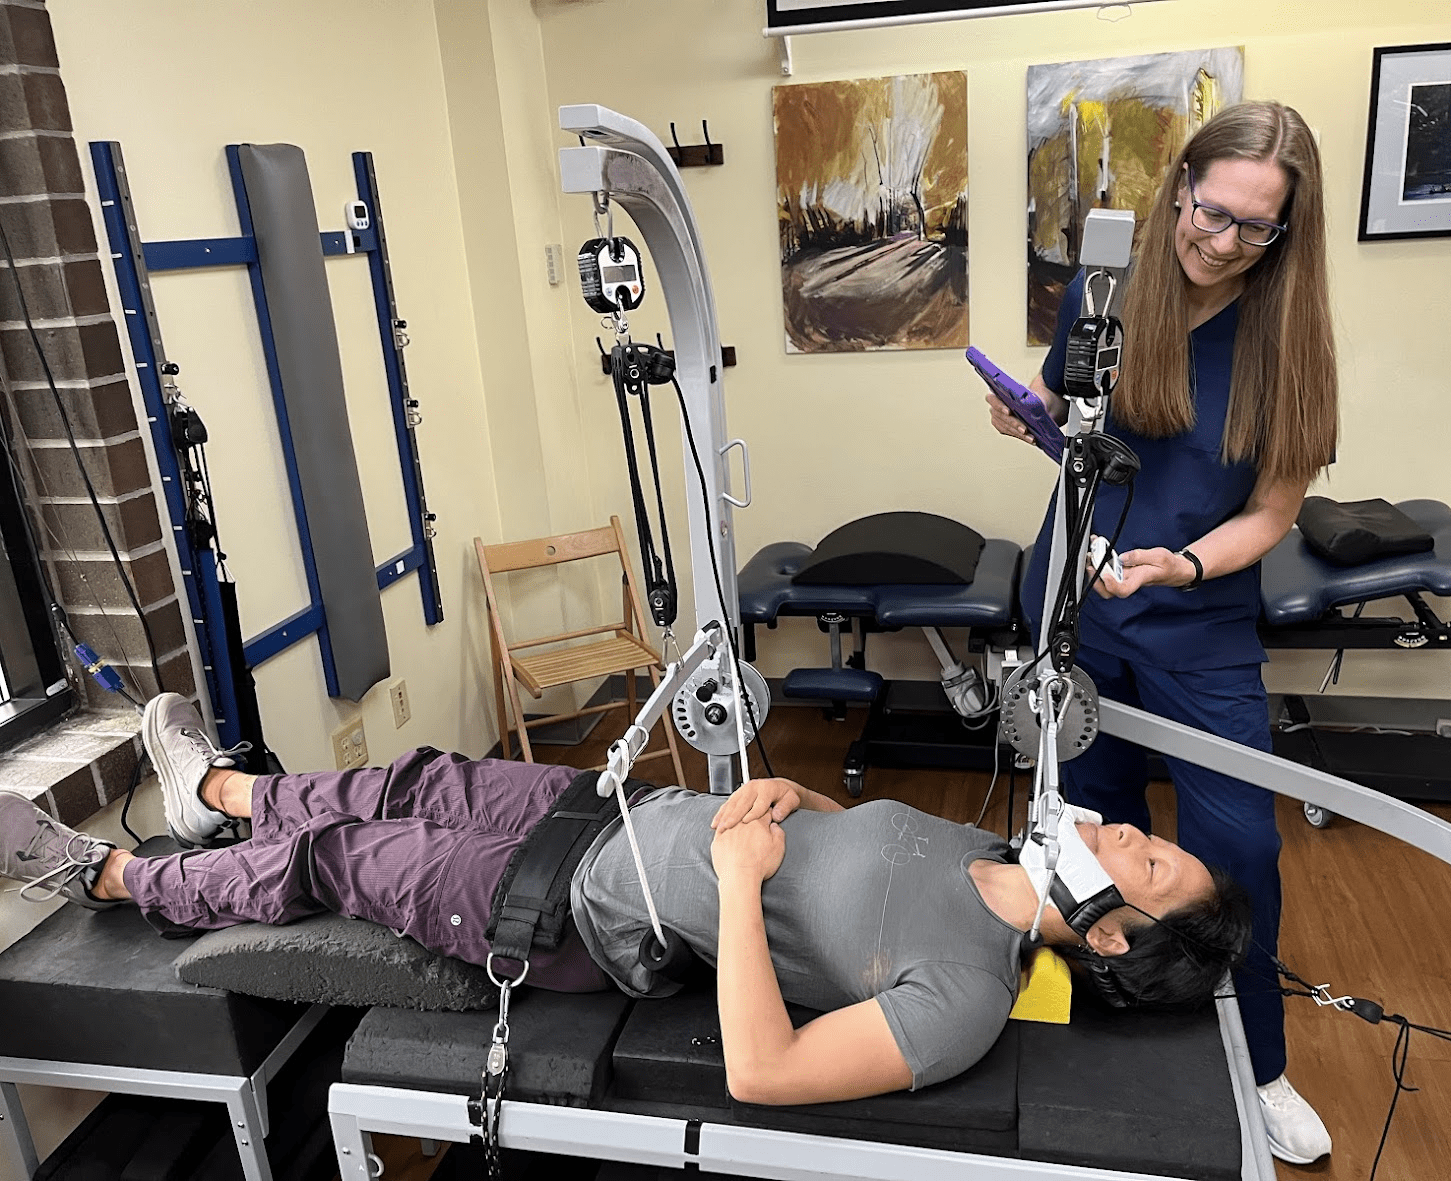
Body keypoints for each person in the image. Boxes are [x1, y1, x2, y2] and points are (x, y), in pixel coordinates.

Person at [1, 692, 1250, 1106]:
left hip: (576, 916)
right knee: (414, 774)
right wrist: (785, 798)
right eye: (1151, 837)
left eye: (1149, 861)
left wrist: (734, 884)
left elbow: (763, 1067)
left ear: (1118, 935)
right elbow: (837, 830)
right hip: (605, 813)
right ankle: (216, 788)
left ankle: (107, 872)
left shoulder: (969, 998)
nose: (1132, 833)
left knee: (343, 854)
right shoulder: (985, 844)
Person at [987, 101, 1338, 1163]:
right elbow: (1054, 407)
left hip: (1198, 626)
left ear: (1285, 234)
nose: (1216, 240)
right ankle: (1110, 1035)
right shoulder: (1108, 295)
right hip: (1079, 615)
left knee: (1238, 852)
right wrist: (1019, 408)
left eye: (1250, 228)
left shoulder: (1288, 347)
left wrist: (1184, 562)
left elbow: (1273, 511)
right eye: (1207, 209)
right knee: (1089, 840)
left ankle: (1260, 1063)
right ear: (1178, 186)